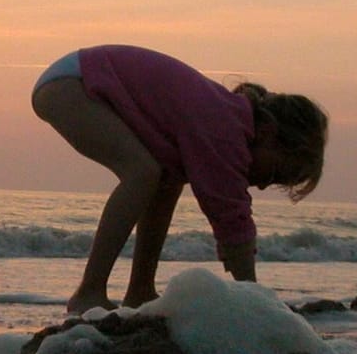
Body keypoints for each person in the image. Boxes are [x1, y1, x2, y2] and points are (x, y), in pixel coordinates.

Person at [31, 45, 328, 314]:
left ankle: (140, 291)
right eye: (275, 173)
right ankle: (89, 292)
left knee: (165, 180)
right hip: (74, 85)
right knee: (142, 173)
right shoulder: (226, 130)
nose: (263, 184)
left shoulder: (226, 119)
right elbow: (230, 216)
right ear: (269, 133)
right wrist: (255, 302)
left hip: (77, 79)